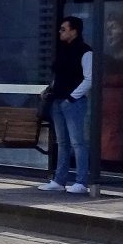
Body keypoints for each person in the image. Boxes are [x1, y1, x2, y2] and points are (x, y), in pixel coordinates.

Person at [38, 16, 94, 194]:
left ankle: (81, 181)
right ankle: (59, 180)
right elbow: (58, 77)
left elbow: (90, 78)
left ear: (74, 31)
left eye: (64, 29)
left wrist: (72, 97)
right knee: (62, 142)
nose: (60, 32)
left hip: (72, 102)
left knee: (78, 142)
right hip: (57, 100)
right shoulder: (63, 51)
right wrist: (50, 90)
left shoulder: (85, 51)